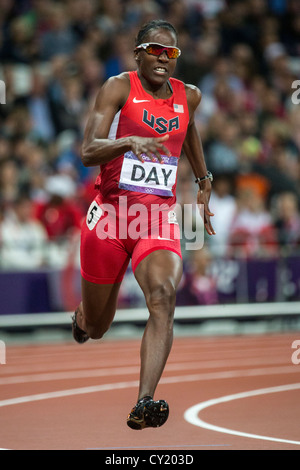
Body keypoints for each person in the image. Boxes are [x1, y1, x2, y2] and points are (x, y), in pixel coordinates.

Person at [72, 19, 215, 430]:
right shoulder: (118, 87)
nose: (163, 59)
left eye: (171, 53)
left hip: (156, 217)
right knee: (99, 326)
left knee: (164, 295)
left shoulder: (189, 95)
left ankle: (144, 400)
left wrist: (204, 180)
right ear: (138, 52)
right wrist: (128, 142)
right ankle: (83, 318)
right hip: (112, 217)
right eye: (155, 50)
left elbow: (187, 132)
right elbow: (87, 151)